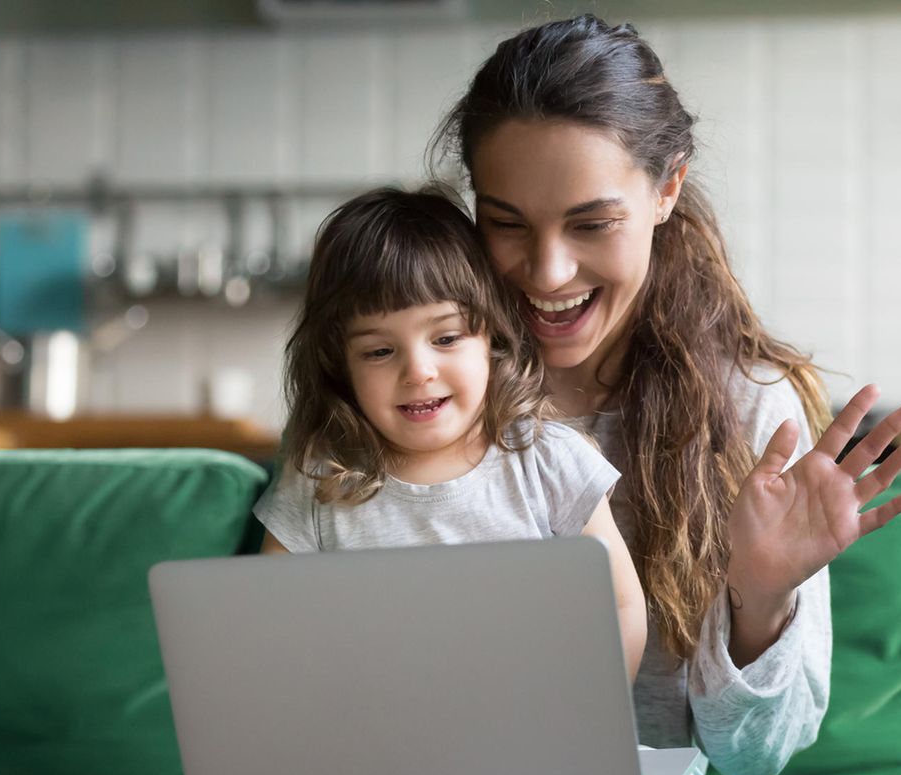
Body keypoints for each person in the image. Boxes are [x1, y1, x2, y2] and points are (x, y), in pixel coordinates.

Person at [428, 14, 901, 775]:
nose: (549, 271)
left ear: (668, 189)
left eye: (592, 223)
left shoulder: (753, 414)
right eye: (506, 224)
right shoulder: (425, 393)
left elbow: (755, 757)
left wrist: (759, 601)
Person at [253, 186, 647, 682]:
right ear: (341, 366)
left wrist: (592, 708)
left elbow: (620, 606)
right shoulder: (319, 479)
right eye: (378, 351)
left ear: (492, 339)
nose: (418, 371)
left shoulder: (547, 460)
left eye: (446, 338)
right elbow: (270, 624)